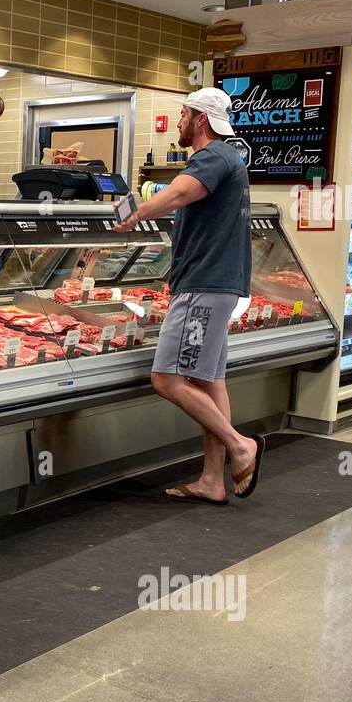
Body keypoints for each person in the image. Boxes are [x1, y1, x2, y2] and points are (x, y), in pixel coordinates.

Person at [113, 86, 264, 504]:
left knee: (165, 378)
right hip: (214, 284)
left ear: (200, 119)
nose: (177, 123)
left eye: (181, 115)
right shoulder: (231, 157)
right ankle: (213, 480)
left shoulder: (213, 156)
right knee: (208, 380)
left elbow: (179, 194)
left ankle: (239, 445)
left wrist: (129, 212)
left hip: (204, 286)